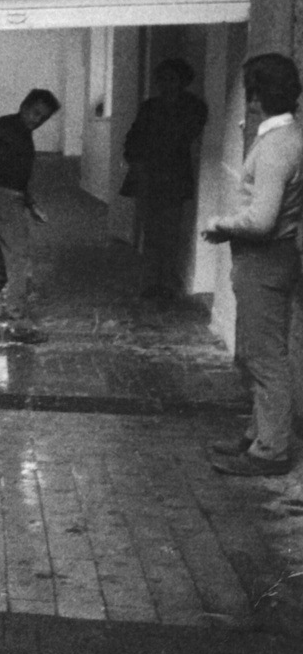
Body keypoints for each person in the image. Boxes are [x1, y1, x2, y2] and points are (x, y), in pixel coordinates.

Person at [203, 52, 303, 478]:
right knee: (253, 354)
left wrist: (221, 224)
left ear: (259, 95)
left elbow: (261, 221)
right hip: (268, 262)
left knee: (264, 359)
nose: (248, 100)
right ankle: (257, 433)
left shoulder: (278, 146)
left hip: (265, 261)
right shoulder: (284, 137)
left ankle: (270, 451)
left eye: (250, 91)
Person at [0, 88, 61, 344]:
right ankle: (19, 325)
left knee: (1, 263)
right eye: (35, 112)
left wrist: (31, 204)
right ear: (24, 105)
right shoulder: (6, 125)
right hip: (1, 201)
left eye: (44, 117)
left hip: (0, 200)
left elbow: (17, 176)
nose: (37, 120)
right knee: (18, 260)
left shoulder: (24, 135)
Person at [121, 57, 209, 300]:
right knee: (151, 230)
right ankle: (151, 282)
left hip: (174, 175)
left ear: (182, 81)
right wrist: (135, 159)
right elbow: (134, 136)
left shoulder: (193, 107)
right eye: (162, 79)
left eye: (172, 79)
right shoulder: (150, 106)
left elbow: (183, 137)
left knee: (170, 231)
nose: (166, 84)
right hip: (150, 174)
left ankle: (167, 282)